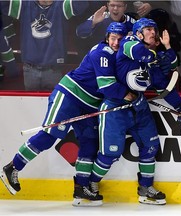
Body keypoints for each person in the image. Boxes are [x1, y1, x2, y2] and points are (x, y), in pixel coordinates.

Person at [0, 22, 128, 207]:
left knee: (90, 141)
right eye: (113, 38)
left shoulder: (120, 57)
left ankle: (81, 187)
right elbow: (107, 86)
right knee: (49, 135)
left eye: (120, 39)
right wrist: (129, 95)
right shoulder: (103, 53)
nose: (116, 42)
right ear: (107, 37)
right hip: (70, 95)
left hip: (90, 104)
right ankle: (12, 167)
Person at [92, 18, 181, 205]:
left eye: (153, 29)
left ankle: (146, 189)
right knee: (110, 154)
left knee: (150, 147)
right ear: (138, 33)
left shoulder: (150, 61)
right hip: (115, 108)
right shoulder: (128, 44)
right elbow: (139, 51)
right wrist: (158, 56)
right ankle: (90, 185)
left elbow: (163, 87)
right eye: (148, 29)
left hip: (139, 108)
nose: (152, 32)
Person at [0, 0, 89, 91]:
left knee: (52, 103)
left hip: (54, 69)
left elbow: (82, 4)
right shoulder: (24, 5)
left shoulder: (62, 6)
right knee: (31, 104)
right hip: (30, 69)